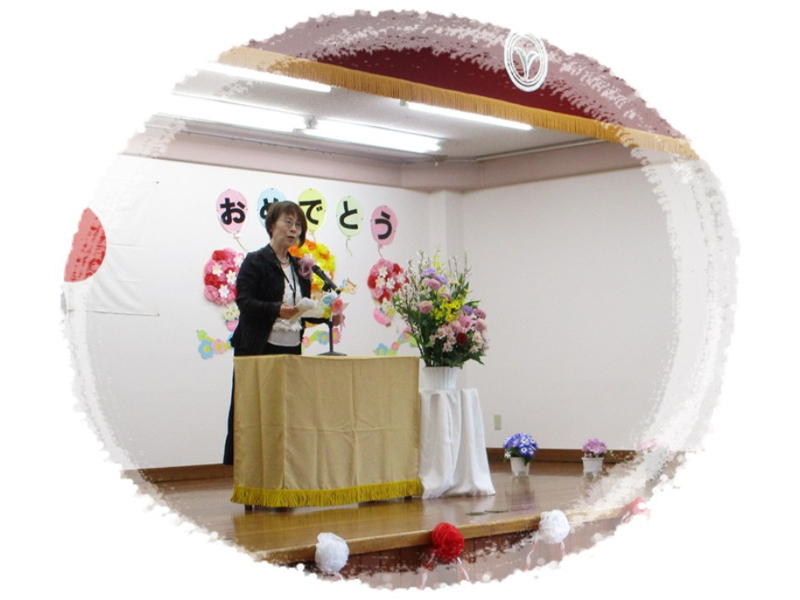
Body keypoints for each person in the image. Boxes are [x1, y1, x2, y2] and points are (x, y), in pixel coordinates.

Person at [223, 201, 333, 465]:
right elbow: (245, 303)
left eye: (298, 225)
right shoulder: (255, 261)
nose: (294, 229)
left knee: (285, 411)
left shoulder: (300, 268)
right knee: (253, 411)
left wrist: (327, 317)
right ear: (272, 225)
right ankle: (248, 469)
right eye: (288, 222)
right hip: (258, 348)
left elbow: (300, 310)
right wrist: (276, 310)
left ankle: (281, 467)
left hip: (290, 348)